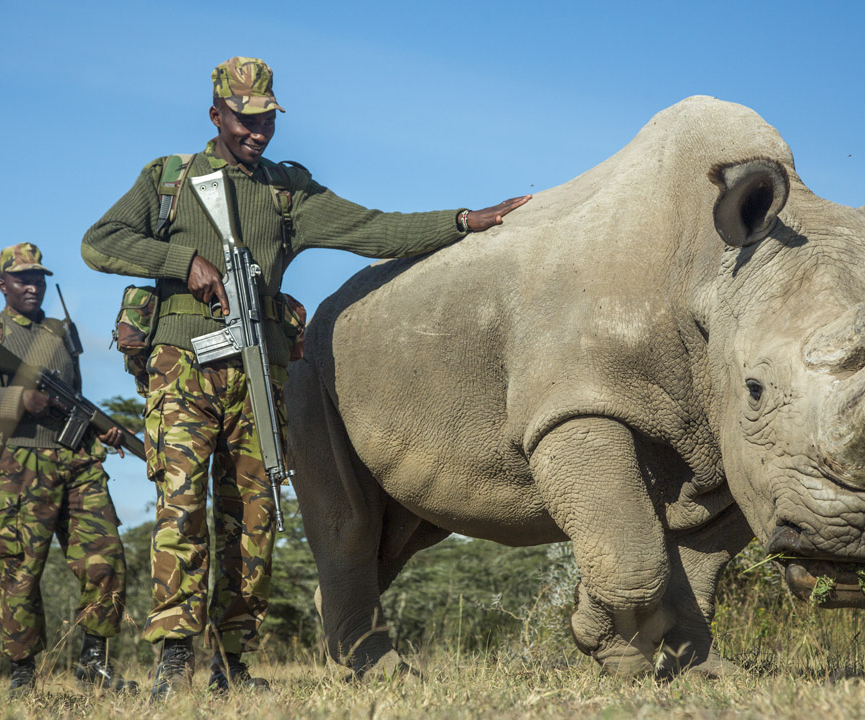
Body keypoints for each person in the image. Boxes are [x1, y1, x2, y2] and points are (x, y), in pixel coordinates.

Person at [81, 56, 531, 699]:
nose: (257, 131)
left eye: (266, 119)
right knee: (180, 510)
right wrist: (184, 262)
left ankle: (232, 663)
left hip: (261, 373)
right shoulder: (169, 181)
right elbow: (99, 242)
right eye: (244, 119)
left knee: (254, 518)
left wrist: (461, 221)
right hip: (181, 369)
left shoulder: (287, 191)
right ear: (216, 115)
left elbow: (374, 229)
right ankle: (173, 660)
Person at [0, 243, 138, 697]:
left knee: (106, 560)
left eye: (39, 277)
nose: (33, 285)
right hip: (16, 466)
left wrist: (100, 431)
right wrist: (15, 400)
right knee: (21, 572)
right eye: (22, 278)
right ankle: (24, 674)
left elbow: (74, 399)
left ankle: (94, 663)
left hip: (77, 462)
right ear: (2, 285)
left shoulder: (62, 331)